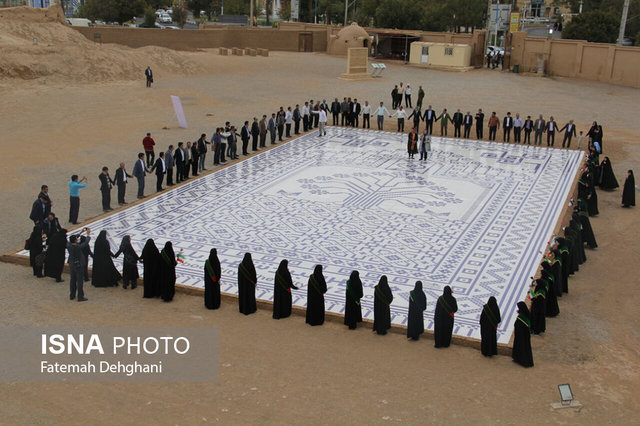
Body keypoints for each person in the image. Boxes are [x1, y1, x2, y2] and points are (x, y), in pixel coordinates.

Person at [68, 229, 91, 302]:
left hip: (72, 264)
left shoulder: (68, 245)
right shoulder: (77, 247)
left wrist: (80, 233)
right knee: (80, 281)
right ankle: (80, 296)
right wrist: (88, 234)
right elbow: (85, 243)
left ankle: (72, 295)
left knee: (72, 280)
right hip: (79, 265)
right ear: (75, 240)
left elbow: (73, 239)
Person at [512, 301, 534, 367]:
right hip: (525, 335)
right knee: (526, 347)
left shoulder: (521, 318)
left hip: (520, 336)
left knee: (521, 347)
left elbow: (518, 325)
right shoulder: (527, 314)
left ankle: (523, 361)